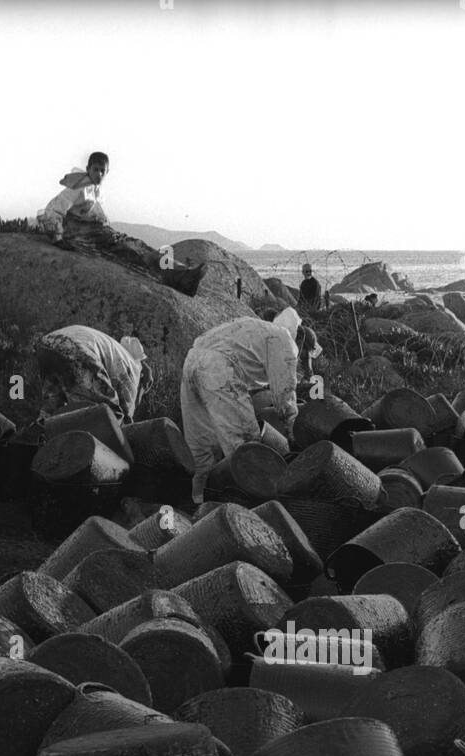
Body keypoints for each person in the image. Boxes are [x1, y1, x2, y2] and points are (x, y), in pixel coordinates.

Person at [180, 308, 319, 503]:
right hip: (219, 369)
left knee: (204, 449)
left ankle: (198, 506)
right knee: (246, 446)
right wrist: (294, 433)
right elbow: (284, 394)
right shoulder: (284, 340)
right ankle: (249, 506)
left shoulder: (256, 328)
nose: (301, 361)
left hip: (192, 362)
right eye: (303, 355)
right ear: (300, 340)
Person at [37, 152, 206, 297]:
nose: (99, 174)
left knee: (139, 247)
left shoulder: (95, 190)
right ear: (88, 169)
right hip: (83, 237)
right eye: (95, 169)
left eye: (103, 171)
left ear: (107, 172)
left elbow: (96, 215)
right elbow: (53, 210)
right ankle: (181, 276)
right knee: (135, 252)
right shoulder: (78, 188)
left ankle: (182, 273)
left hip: (97, 233)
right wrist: (57, 238)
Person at [36, 325, 153, 424]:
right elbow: (127, 414)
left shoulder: (113, 348)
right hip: (76, 349)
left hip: (48, 343)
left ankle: (35, 440)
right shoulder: (131, 367)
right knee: (109, 414)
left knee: (52, 412)